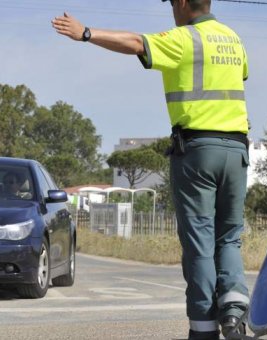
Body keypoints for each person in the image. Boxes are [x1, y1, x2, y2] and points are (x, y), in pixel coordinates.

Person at [52, 1, 250, 339]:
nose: (172, 10)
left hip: (198, 151)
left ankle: (203, 328)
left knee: (200, 243)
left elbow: (135, 43)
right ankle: (234, 310)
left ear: (185, 3)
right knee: (228, 237)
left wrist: (86, 33)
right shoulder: (233, 39)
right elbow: (240, 74)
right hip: (237, 151)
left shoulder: (184, 38)